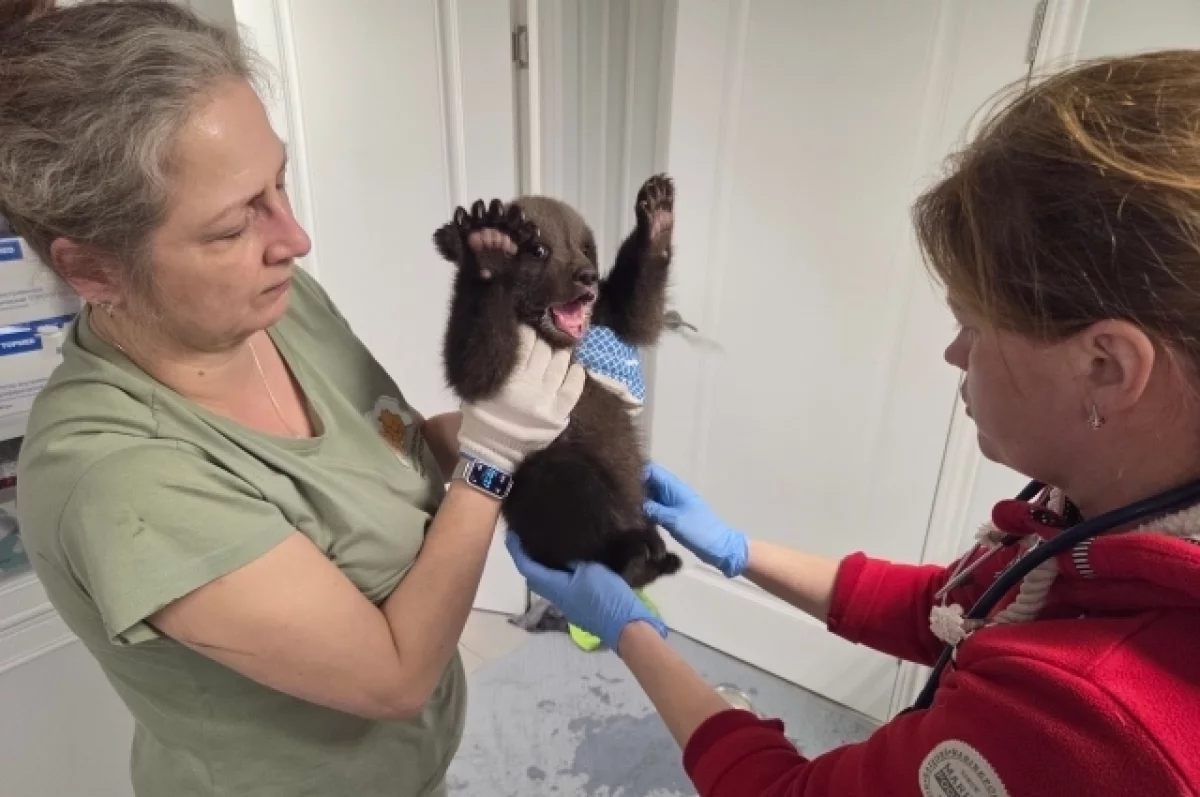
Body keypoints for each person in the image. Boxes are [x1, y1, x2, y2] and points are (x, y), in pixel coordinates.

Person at [507, 49, 1200, 796]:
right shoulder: (1103, 516)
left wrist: (630, 631)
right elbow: (953, 609)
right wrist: (738, 550)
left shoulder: (1094, 718)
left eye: (973, 327)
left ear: (1107, 366)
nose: (953, 353)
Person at [0, 3, 584, 795]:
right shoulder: (118, 478)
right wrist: (491, 465)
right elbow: (394, 676)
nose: (294, 238)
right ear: (94, 270)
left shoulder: (278, 306)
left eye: (278, 182)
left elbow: (392, 446)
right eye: (232, 227)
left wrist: (523, 440)